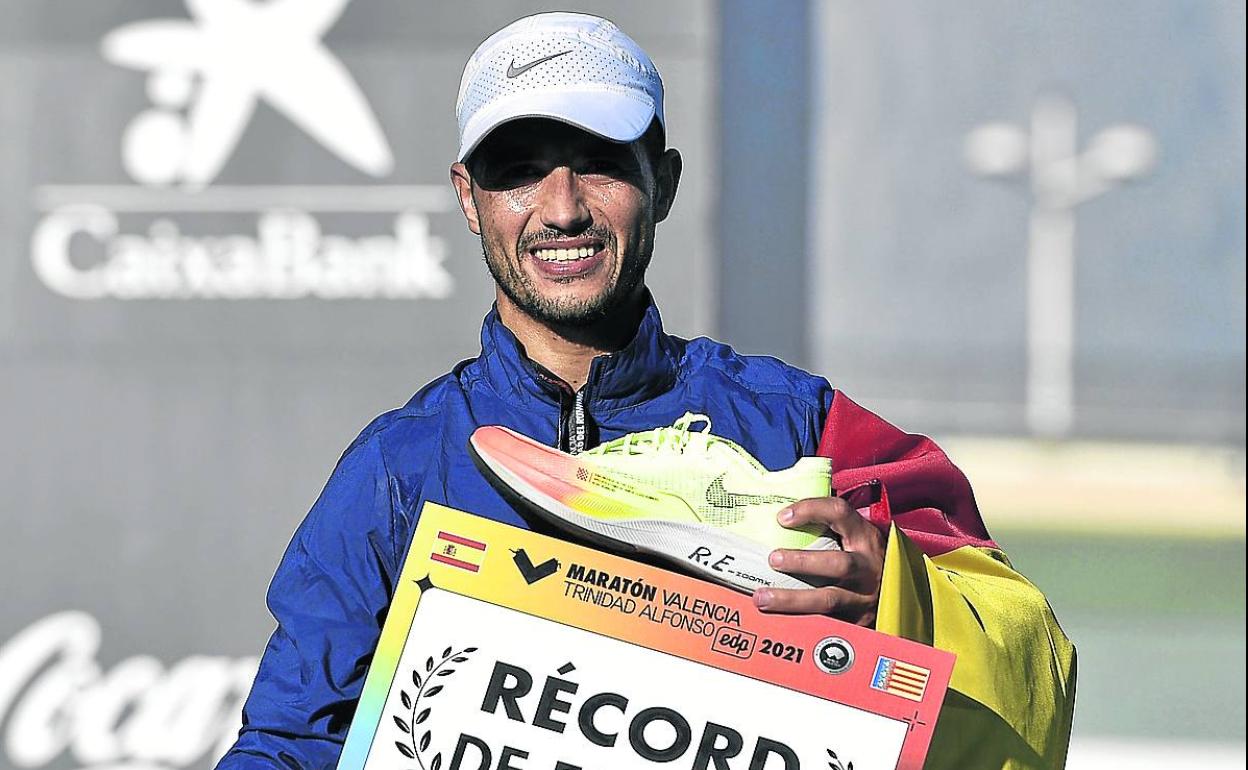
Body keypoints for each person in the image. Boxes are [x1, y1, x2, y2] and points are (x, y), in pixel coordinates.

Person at [217, 12, 1074, 770]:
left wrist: (897, 595)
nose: (561, 209)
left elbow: (1036, 692)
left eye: (599, 165)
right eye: (519, 170)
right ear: (469, 199)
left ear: (662, 182)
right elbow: (292, 745)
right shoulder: (397, 469)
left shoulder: (804, 430)